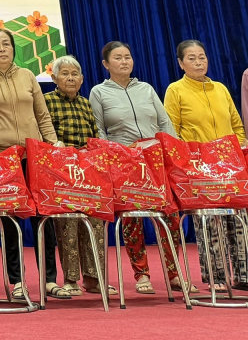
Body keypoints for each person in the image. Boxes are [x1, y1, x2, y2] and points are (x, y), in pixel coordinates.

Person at [0, 28, 69, 300]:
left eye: (6, 44)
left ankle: (49, 280)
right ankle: (17, 281)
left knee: (43, 220)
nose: (2, 48)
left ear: (13, 48)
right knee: (10, 223)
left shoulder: (27, 76)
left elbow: (42, 115)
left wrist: (53, 143)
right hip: (1, 158)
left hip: (33, 157)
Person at [89, 41, 191, 295]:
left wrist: (172, 152)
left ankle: (174, 273)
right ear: (105, 64)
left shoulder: (146, 89)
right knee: (132, 220)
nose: (124, 61)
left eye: (128, 56)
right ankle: (141, 274)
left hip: (155, 160)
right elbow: (99, 130)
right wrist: (116, 156)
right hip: (124, 162)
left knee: (170, 216)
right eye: (118, 58)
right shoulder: (98, 92)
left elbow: (165, 123)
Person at [164, 39, 248, 291]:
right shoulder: (175, 90)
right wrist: (191, 159)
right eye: (191, 58)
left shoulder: (220, 88)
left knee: (239, 220)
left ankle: (243, 274)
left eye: (202, 57)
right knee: (209, 223)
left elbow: (236, 125)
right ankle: (216, 277)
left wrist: (237, 150)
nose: (198, 62)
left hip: (230, 166)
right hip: (199, 168)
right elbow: (172, 131)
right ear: (180, 63)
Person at [43, 55, 114, 297]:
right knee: (68, 225)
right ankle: (70, 279)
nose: (70, 78)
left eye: (75, 74)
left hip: (88, 172)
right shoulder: (47, 101)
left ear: (82, 79)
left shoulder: (85, 104)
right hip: (61, 172)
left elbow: (95, 135)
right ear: (54, 78)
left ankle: (95, 278)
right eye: (65, 74)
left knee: (95, 224)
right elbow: (44, 135)